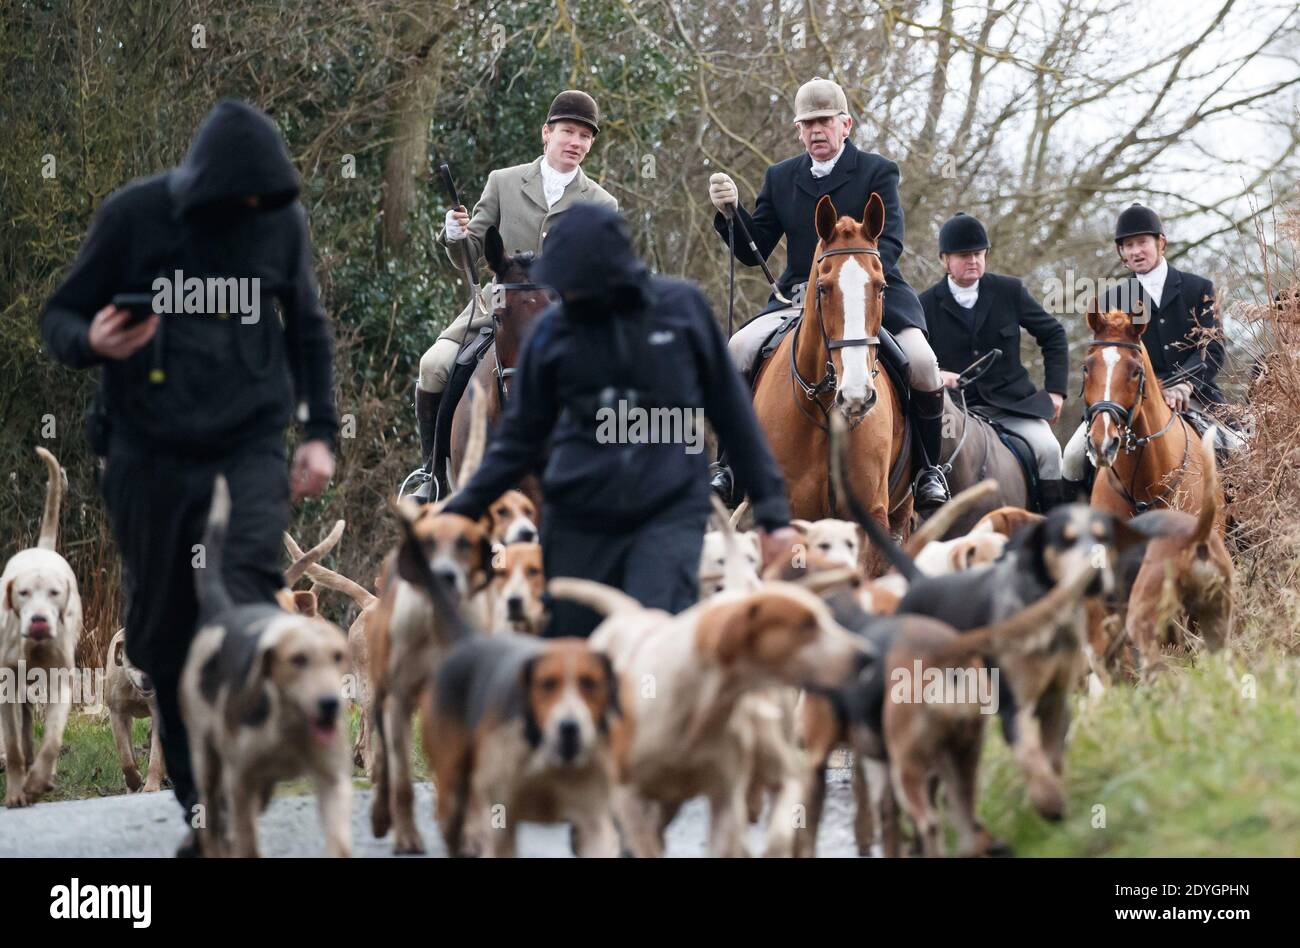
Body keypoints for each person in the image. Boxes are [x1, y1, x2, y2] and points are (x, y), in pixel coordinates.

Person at [39, 99, 337, 853]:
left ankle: (247, 774)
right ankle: (204, 808)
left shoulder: (279, 224)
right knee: (164, 632)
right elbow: (59, 319)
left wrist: (322, 434)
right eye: (240, 199)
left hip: (250, 446)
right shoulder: (133, 216)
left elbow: (307, 327)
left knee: (239, 595)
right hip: (148, 451)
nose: (251, 211)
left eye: (261, 201)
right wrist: (94, 338)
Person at [441, 203, 799, 637]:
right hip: (577, 515)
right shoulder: (552, 334)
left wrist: (773, 516)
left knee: (648, 637)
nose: (565, 294)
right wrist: (459, 509)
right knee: (573, 649)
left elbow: (735, 416)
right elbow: (517, 442)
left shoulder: (681, 311)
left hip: (666, 512)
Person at [705, 76, 951, 512]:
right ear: (798, 130)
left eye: (825, 121)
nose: (816, 130)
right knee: (737, 350)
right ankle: (727, 464)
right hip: (800, 297)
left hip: (870, 292)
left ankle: (928, 470)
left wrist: (855, 271)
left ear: (846, 125)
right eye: (807, 123)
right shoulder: (781, 177)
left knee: (925, 366)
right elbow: (753, 249)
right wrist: (730, 214)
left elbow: (889, 242)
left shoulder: (878, 171)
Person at [410, 90, 618, 500]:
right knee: (434, 365)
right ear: (547, 133)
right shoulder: (503, 181)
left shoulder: (601, 202)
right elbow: (471, 254)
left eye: (585, 136)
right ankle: (430, 474)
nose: (576, 142)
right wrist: (454, 234)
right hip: (499, 307)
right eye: (568, 132)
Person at [1062, 202, 1237, 488]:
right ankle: (1082, 525)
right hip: (1129, 400)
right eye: (1128, 245)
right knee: (1071, 456)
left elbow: (1213, 347)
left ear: (1161, 243)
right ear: (1121, 253)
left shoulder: (1198, 288)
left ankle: (1239, 530)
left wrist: (1185, 384)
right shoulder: (1111, 300)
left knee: (1240, 446)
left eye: (1142, 242)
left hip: (1196, 395)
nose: (1135, 251)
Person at [918, 213, 1070, 508]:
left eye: (978, 253)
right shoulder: (924, 304)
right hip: (955, 411)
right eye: (964, 255)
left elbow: (1053, 334)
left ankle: (1053, 533)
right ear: (944, 260)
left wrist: (1055, 390)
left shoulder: (1009, 291)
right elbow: (912, 357)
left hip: (1012, 405)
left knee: (1050, 449)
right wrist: (938, 374)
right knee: (921, 460)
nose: (973, 260)